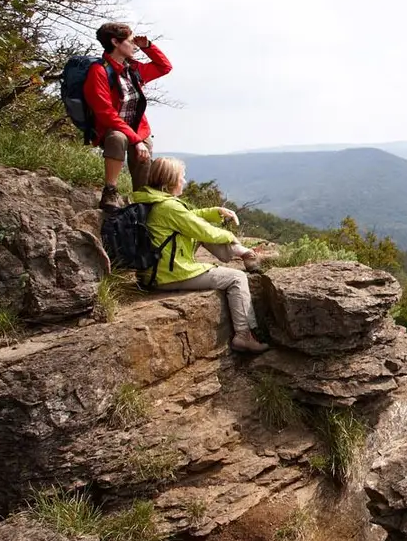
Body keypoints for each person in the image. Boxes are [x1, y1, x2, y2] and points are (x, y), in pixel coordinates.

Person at [131, 157, 270, 354]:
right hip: (169, 275)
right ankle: (244, 335)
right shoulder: (168, 207)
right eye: (182, 177)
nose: (184, 181)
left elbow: (189, 218)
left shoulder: (151, 200)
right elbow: (204, 232)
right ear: (169, 181)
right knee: (237, 278)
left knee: (200, 233)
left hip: (155, 269)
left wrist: (215, 212)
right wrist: (232, 237)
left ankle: (244, 254)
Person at [86, 22, 172, 209]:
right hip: (112, 128)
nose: (134, 46)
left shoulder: (133, 69)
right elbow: (106, 113)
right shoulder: (99, 71)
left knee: (144, 152)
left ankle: (142, 201)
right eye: (130, 41)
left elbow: (164, 67)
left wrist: (148, 47)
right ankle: (110, 191)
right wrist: (135, 140)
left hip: (137, 128)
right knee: (118, 138)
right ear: (115, 42)